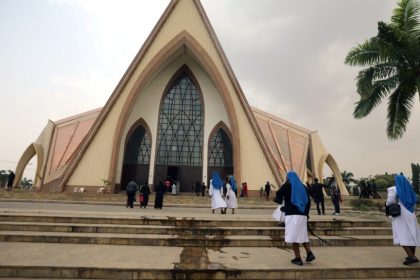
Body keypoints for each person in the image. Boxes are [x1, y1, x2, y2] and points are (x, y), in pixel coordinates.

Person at [276, 171, 315, 266]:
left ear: (288, 178)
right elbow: (308, 201)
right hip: (303, 215)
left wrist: (283, 205)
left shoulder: (287, 185)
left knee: (294, 237)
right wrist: (306, 213)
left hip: (292, 215)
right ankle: (309, 253)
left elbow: (278, 194)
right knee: (302, 234)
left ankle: (298, 258)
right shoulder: (303, 187)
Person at [386, 175, 420, 265]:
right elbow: (414, 202)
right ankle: (411, 256)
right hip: (410, 214)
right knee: (411, 235)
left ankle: (411, 256)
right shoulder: (409, 189)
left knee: (401, 235)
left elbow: (390, 201)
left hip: (400, 214)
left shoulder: (393, 189)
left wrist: (386, 204)